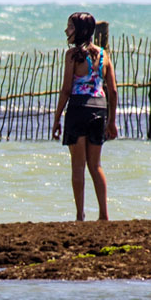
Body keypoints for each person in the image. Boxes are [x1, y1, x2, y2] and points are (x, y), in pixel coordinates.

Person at [51, 12, 117, 221]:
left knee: (78, 166)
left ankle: (80, 215)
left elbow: (66, 90)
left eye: (70, 27)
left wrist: (56, 118)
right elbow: (113, 91)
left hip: (78, 109)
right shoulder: (104, 54)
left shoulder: (72, 55)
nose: (66, 30)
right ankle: (104, 215)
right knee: (95, 165)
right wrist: (112, 121)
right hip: (99, 109)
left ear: (80, 30)